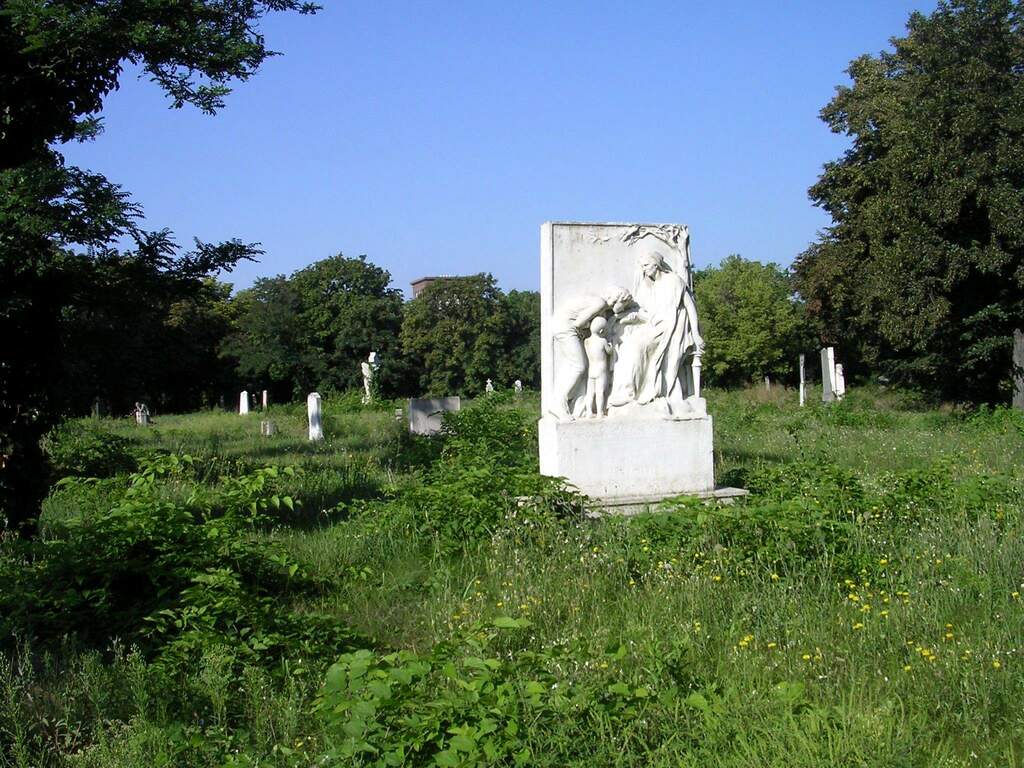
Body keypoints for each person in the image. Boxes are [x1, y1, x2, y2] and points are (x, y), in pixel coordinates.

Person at [609, 251, 703, 412]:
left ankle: (630, 391)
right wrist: (624, 318)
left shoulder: (674, 281)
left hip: (670, 328)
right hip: (654, 327)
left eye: (646, 265)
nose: (644, 269)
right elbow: (647, 314)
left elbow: (690, 306)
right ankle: (624, 390)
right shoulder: (650, 286)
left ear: (656, 264)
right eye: (642, 266)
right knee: (627, 344)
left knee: (635, 345)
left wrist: (696, 333)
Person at [549, 287, 631, 418]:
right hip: (565, 327)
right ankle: (558, 403)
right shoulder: (600, 303)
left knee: (575, 365)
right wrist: (594, 327)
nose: (623, 308)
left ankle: (565, 401)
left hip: (564, 325)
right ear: (618, 300)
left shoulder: (599, 303)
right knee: (578, 366)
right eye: (624, 304)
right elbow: (578, 323)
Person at [583, 316, 613, 417]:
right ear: (601, 331)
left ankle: (589, 412)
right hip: (601, 370)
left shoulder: (587, 341)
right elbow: (609, 351)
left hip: (591, 369)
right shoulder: (602, 341)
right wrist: (611, 346)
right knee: (600, 391)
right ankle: (600, 412)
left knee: (590, 392)